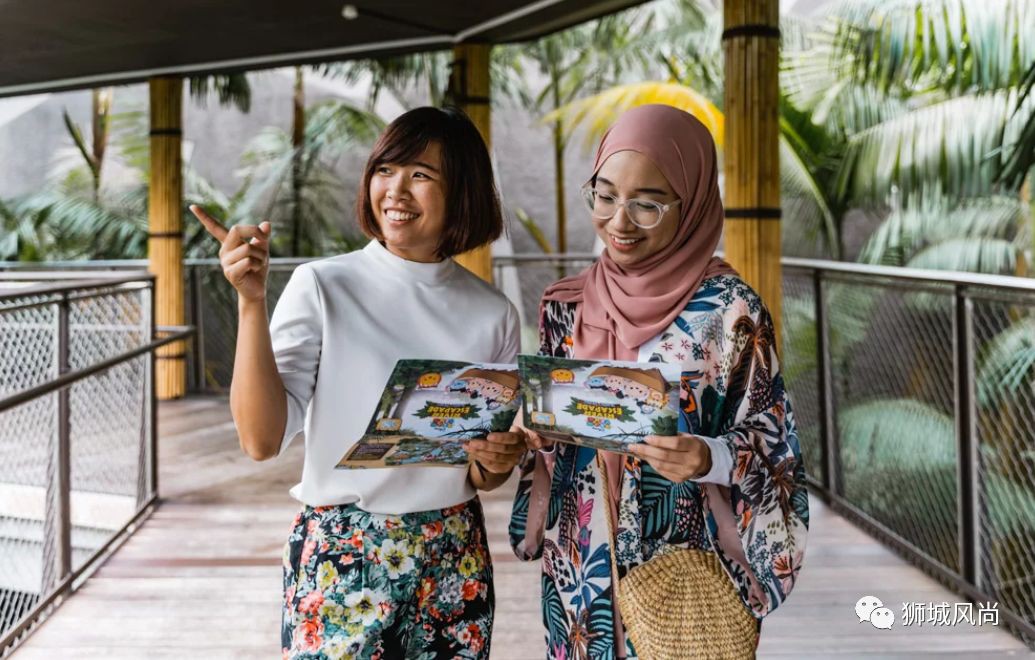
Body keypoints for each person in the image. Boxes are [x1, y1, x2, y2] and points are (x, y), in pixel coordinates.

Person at [192, 106, 527, 659]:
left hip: (454, 551)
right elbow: (260, 440)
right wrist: (251, 302)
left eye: (421, 175)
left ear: (463, 190)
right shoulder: (323, 285)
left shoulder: (492, 313)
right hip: (343, 549)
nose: (395, 190)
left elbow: (480, 474)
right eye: (384, 169)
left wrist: (498, 458)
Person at [509, 104, 809, 658]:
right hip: (583, 570)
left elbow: (774, 447)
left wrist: (707, 456)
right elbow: (552, 455)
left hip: (690, 573)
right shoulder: (564, 306)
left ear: (690, 203)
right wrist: (537, 433)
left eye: (647, 204)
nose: (619, 222)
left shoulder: (730, 313)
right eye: (604, 195)